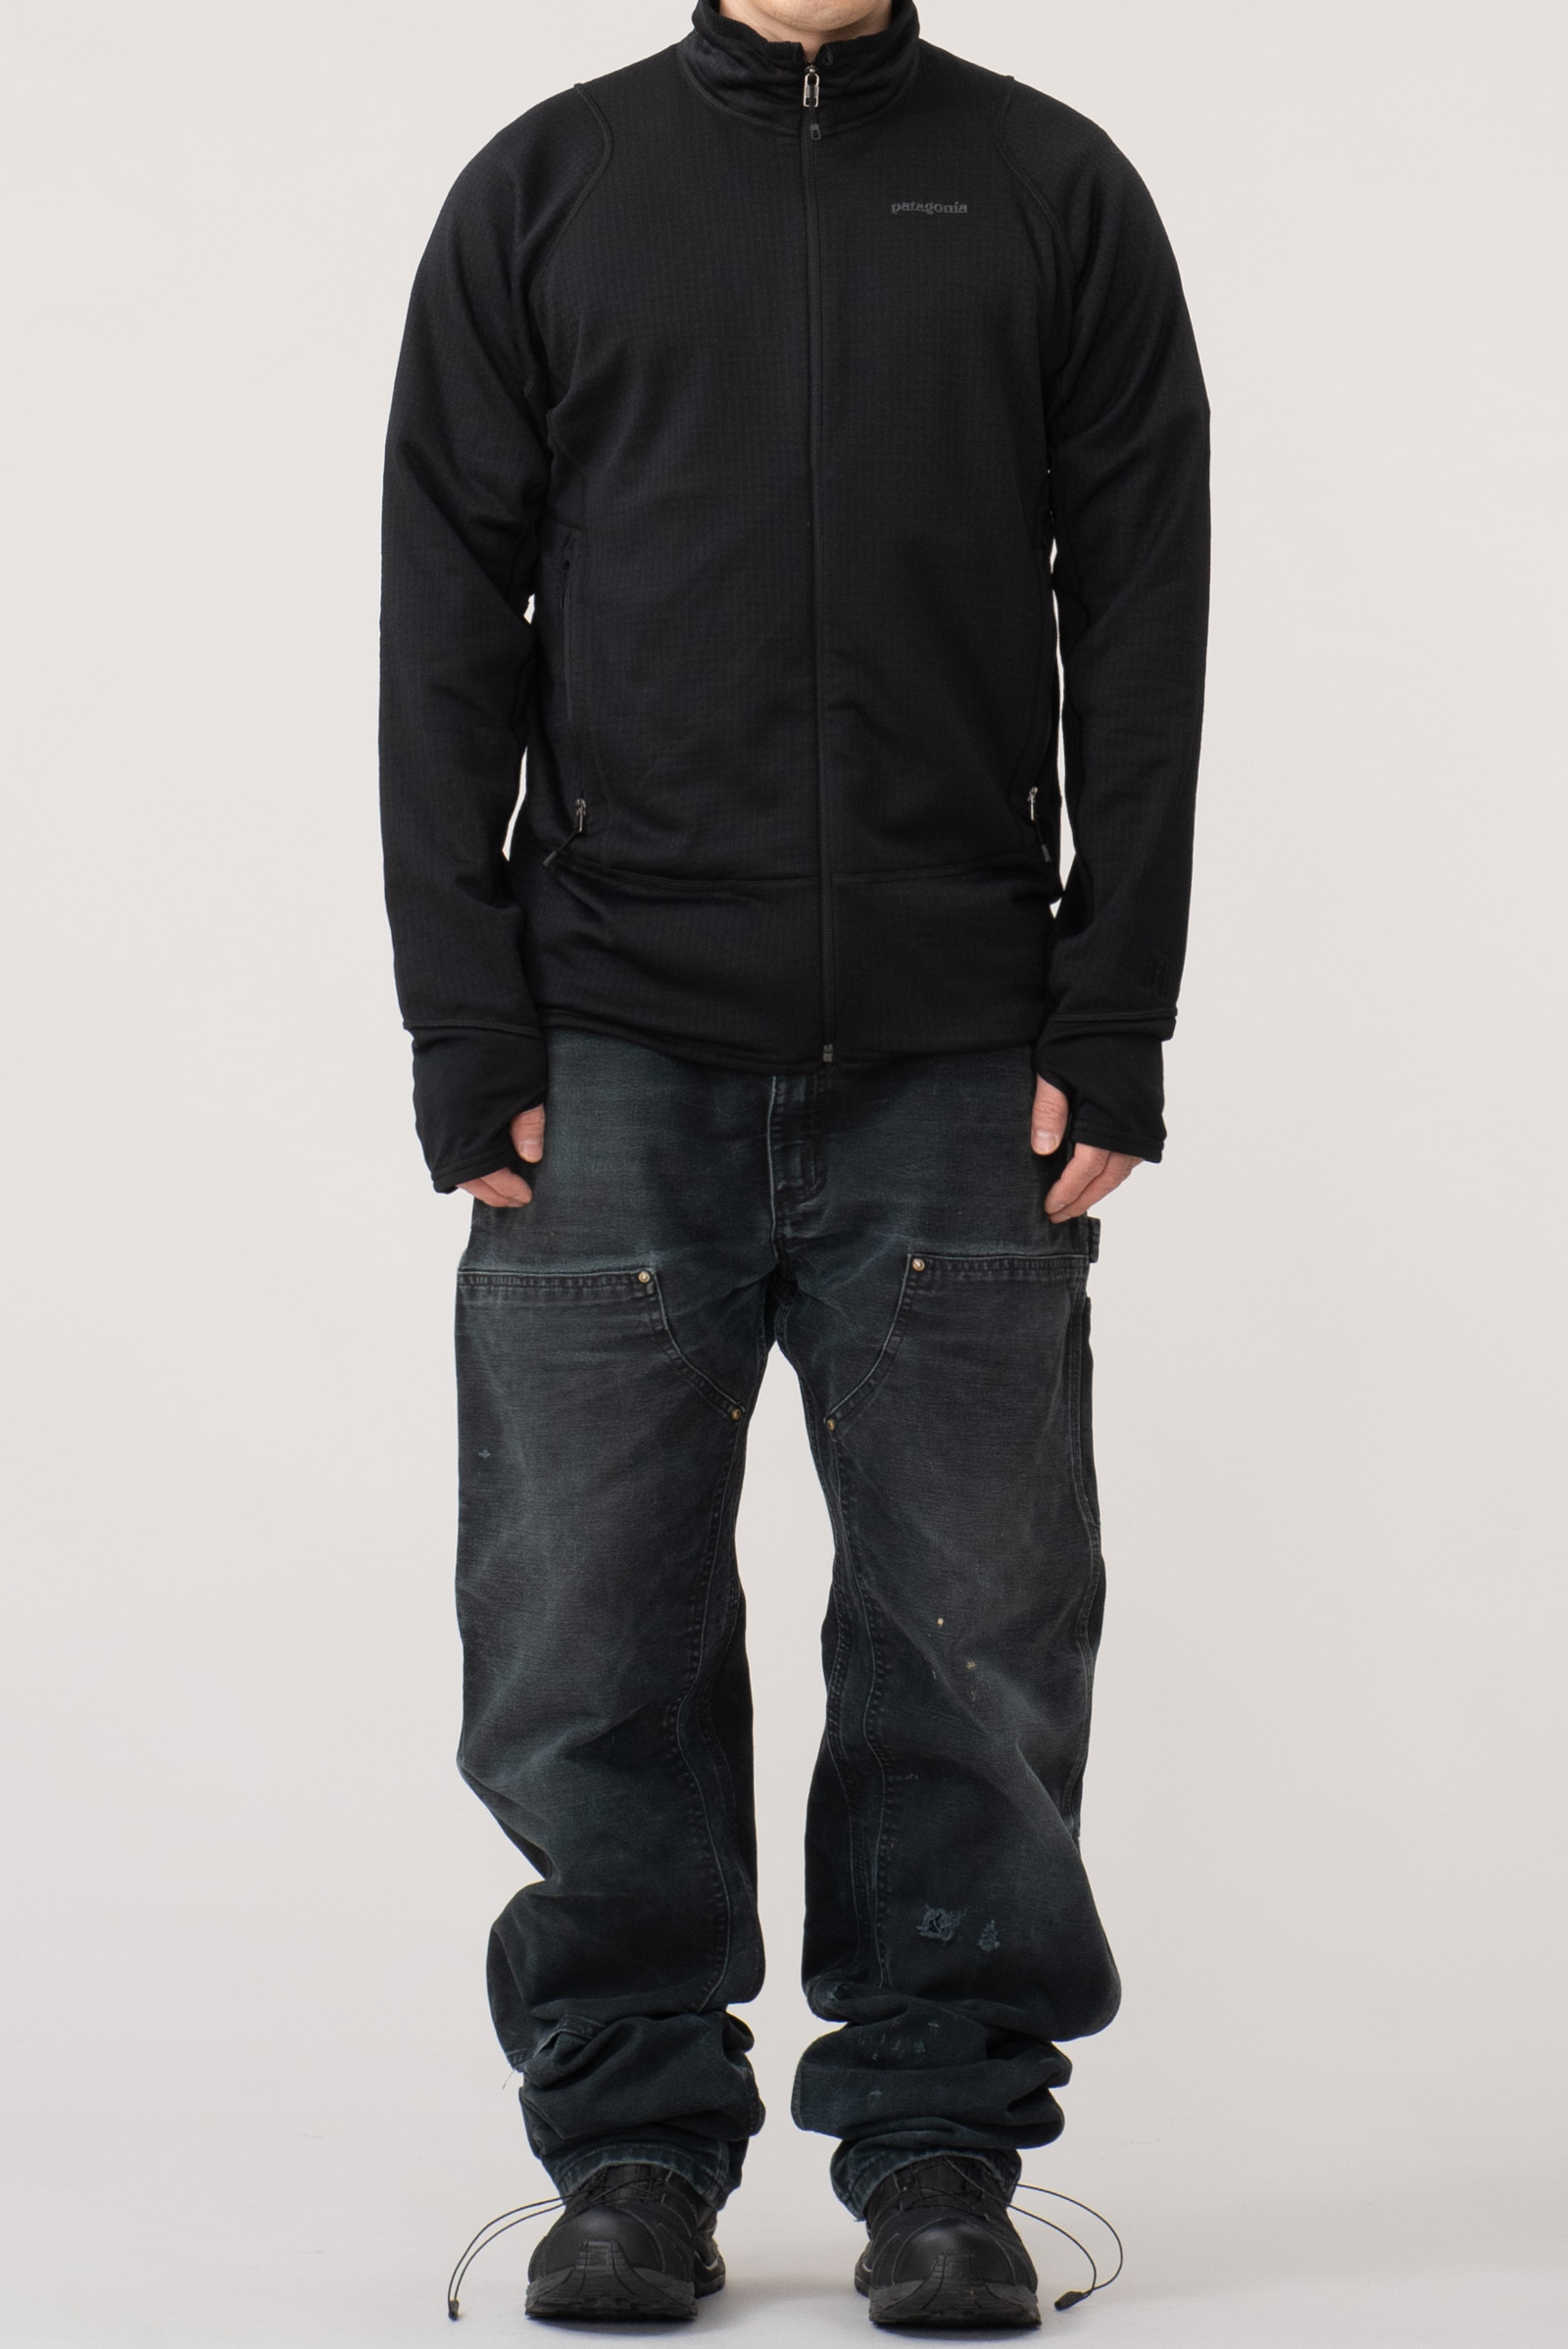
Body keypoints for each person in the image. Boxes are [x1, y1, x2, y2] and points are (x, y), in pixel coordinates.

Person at [380, 0, 1207, 2325]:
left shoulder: (1050, 189)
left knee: (972, 1637)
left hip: (960, 1048)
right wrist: (466, 1023)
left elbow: (1140, 604)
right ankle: (631, 2145)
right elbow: (443, 614)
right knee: (582, 1644)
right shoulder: (547, 189)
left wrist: (1109, 1011)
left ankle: (938, 2145)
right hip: (604, 1046)